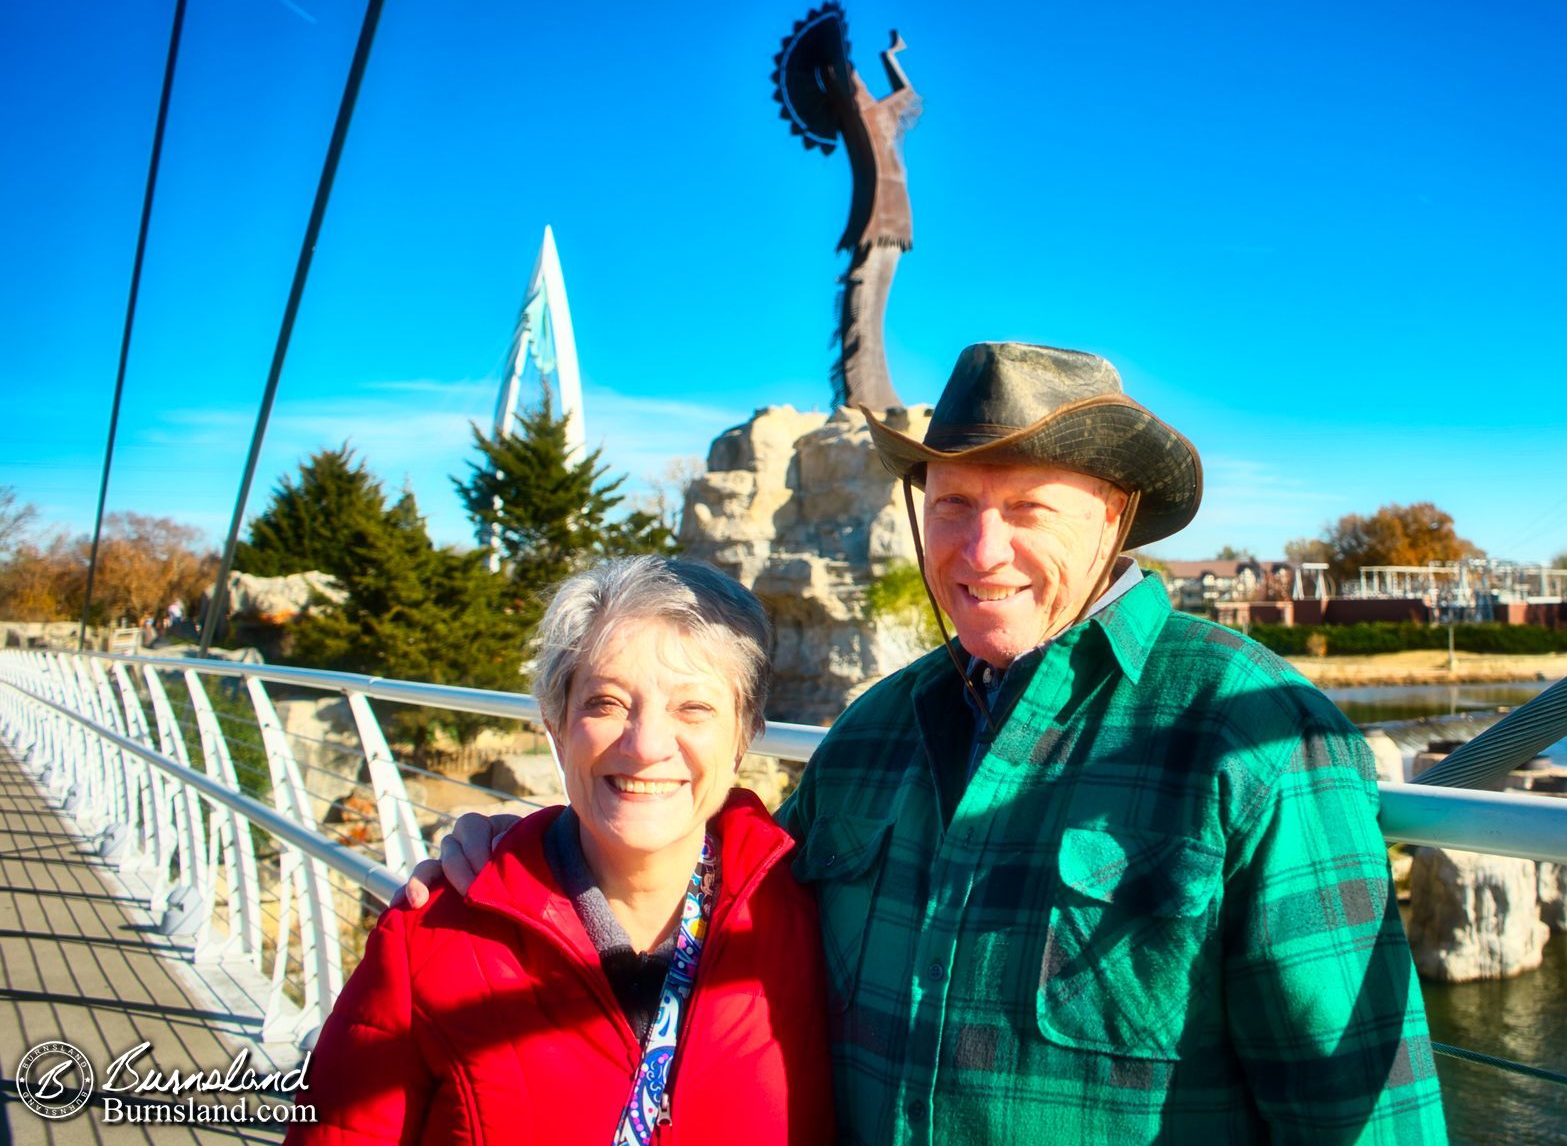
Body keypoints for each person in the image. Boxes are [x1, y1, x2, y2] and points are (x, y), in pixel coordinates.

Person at [423, 343, 1447, 1143]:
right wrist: (530, 856)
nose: (981, 549)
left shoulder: (1250, 737)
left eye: (1028, 507)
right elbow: (704, 891)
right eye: (954, 503)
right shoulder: (872, 735)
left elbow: (1361, 1110)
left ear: (1115, 515)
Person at [294, 556, 834, 1145]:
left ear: (743, 735)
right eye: (606, 703)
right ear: (556, 724)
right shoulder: (431, 941)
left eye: (693, 708)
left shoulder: (807, 922)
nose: (646, 745)